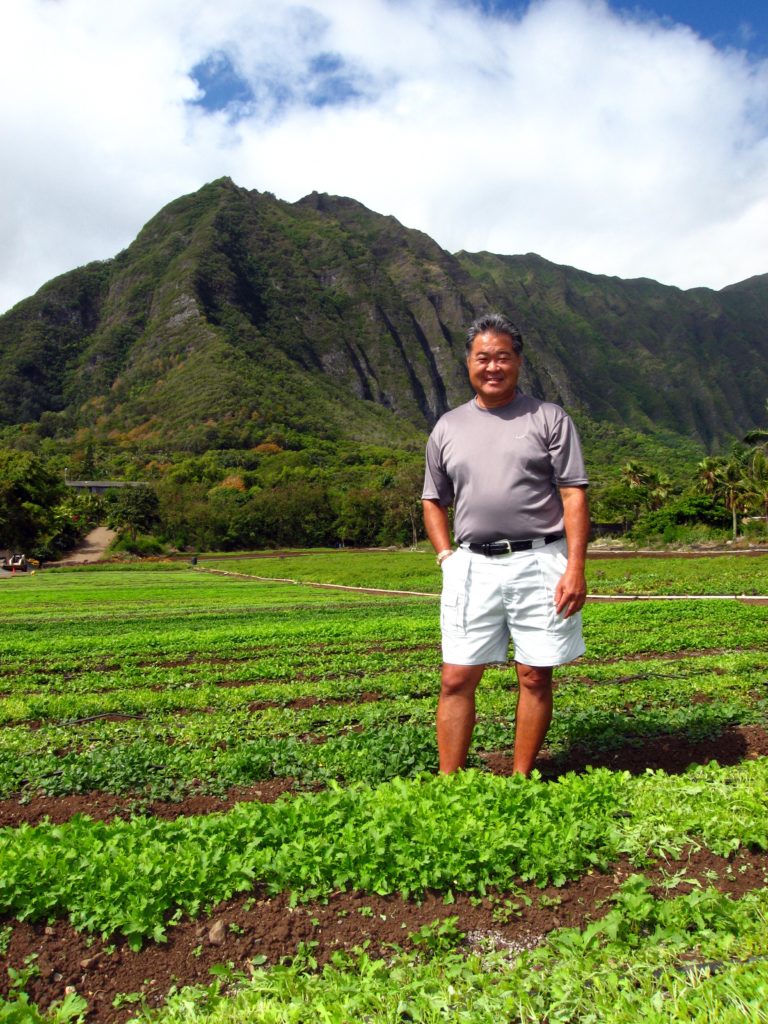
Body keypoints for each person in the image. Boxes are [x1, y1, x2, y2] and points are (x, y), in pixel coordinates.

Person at [422, 312, 589, 775]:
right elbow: (433, 500)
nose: (492, 367)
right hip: (472, 565)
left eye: (502, 357)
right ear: (468, 363)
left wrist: (575, 567)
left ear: (518, 361)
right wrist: (446, 558)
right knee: (456, 675)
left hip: (541, 560)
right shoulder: (448, 427)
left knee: (535, 674)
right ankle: (449, 783)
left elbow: (573, 494)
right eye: (482, 358)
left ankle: (520, 778)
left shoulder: (549, 418)